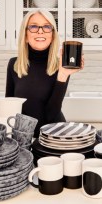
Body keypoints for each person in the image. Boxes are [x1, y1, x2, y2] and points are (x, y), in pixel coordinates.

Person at [5, 9, 84, 137]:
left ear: (52, 35)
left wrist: (63, 75)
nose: (40, 31)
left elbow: (51, 114)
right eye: (34, 26)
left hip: (55, 136)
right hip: (23, 139)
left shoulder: (61, 66)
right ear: (25, 35)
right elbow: (8, 111)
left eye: (47, 26)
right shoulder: (14, 64)